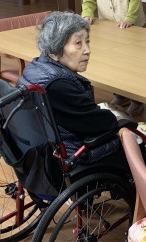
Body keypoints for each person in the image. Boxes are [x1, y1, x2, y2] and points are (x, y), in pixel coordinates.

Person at [17, 11, 129, 170]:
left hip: (39, 149)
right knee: (135, 140)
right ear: (55, 50)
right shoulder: (58, 85)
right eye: (78, 43)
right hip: (74, 156)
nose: (87, 50)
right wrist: (120, 120)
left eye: (87, 41)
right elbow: (98, 123)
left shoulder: (34, 68)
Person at [82, 0, 146, 115]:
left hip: (131, 26)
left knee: (131, 63)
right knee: (114, 62)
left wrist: (129, 18)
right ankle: (121, 95)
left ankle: (137, 100)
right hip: (109, 26)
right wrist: (87, 13)